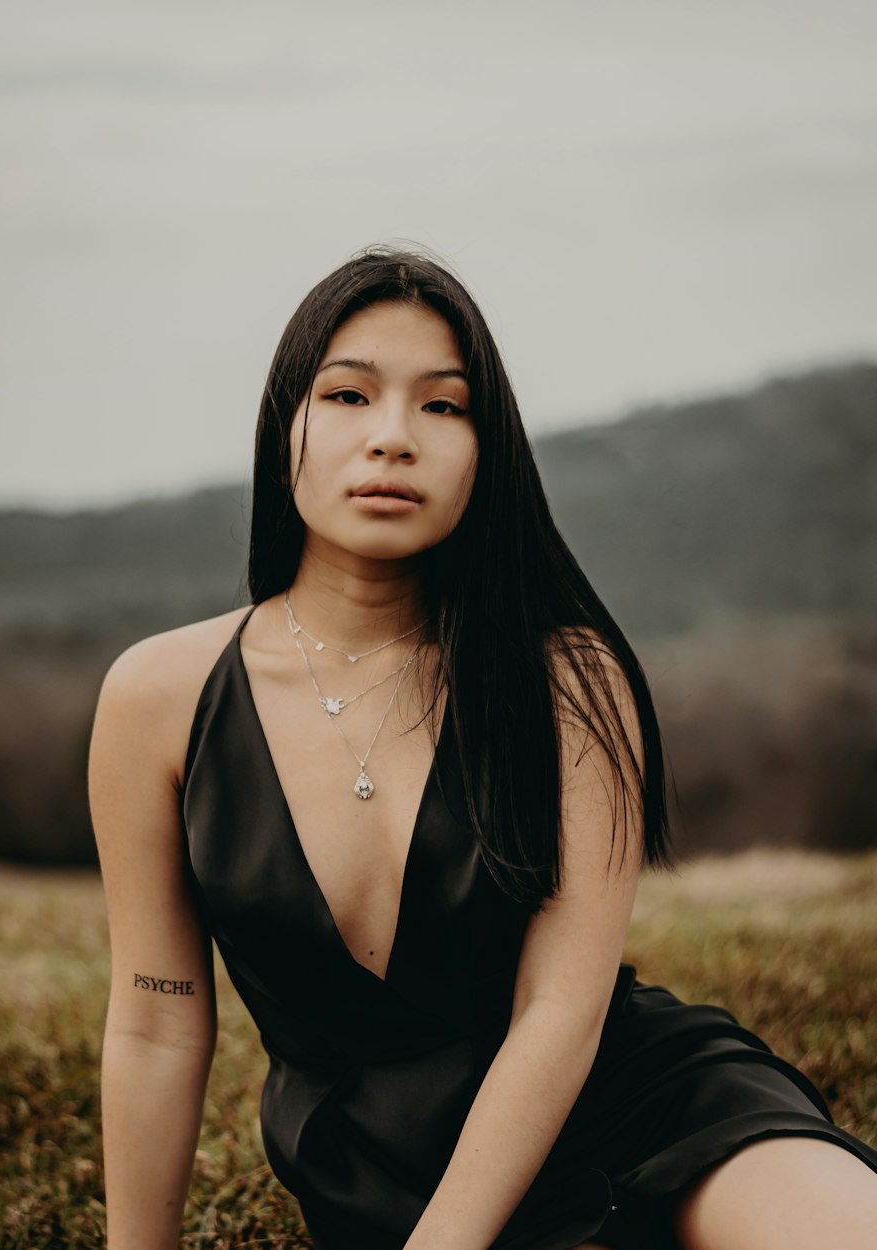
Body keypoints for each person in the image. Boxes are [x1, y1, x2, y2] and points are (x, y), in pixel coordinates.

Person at [87, 245, 877, 1250]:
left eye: (443, 406)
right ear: (283, 426)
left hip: (633, 1100)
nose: (391, 438)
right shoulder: (158, 696)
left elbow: (559, 1011)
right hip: (381, 1173)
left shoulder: (564, 675)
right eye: (347, 395)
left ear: (485, 451)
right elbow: (157, 1021)